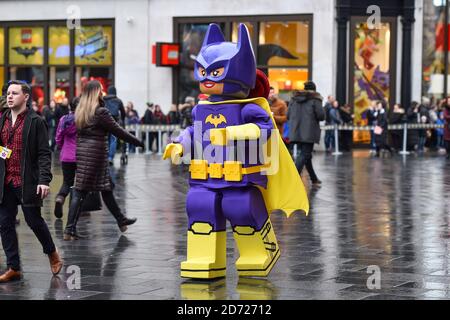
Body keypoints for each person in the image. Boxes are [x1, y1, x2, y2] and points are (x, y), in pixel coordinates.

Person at [163, 23, 308, 279]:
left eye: (216, 72)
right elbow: (193, 131)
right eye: (205, 71)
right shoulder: (200, 109)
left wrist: (233, 133)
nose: (208, 77)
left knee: (240, 207)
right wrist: (179, 144)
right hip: (205, 175)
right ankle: (203, 259)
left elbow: (264, 129)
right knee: (199, 206)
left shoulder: (248, 108)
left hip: (239, 175)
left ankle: (259, 253)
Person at [63, 80, 144, 240]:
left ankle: (121, 220)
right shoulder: (100, 112)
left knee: (106, 188)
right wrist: (137, 141)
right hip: (96, 155)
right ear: (96, 93)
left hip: (84, 153)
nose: (102, 93)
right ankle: (69, 229)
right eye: (100, 90)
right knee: (80, 191)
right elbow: (118, 130)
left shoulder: (80, 110)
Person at [0, 80, 62, 282]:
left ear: (25, 97)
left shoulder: (36, 122)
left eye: (14, 93)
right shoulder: (2, 120)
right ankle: (13, 267)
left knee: (34, 221)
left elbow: (44, 154)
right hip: (5, 181)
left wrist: (44, 180)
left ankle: (51, 252)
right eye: (8, 93)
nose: (9, 96)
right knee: (5, 223)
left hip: (27, 181)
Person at [287, 80, 325, 186]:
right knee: (305, 154)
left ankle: (314, 179)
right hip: (309, 131)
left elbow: (288, 114)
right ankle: (292, 176)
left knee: (306, 155)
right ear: (314, 89)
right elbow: (321, 116)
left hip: (296, 131)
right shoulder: (315, 99)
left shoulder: (294, 99)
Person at [54, 99, 78, 219]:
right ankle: (76, 209)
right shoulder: (83, 119)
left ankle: (60, 198)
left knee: (67, 182)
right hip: (81, 155)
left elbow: (58, 137)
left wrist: (61, 147)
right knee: (80, 184)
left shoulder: (63, 119)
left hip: (66, 156)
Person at [104, 86, 126, 164]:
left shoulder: (103, 100)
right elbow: (123, 113)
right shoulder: (118, 101)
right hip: (114, 122)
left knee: (106, 140)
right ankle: (110, 157)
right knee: (113, 140)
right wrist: (122, 120)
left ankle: (105, 157)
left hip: (105, 121)